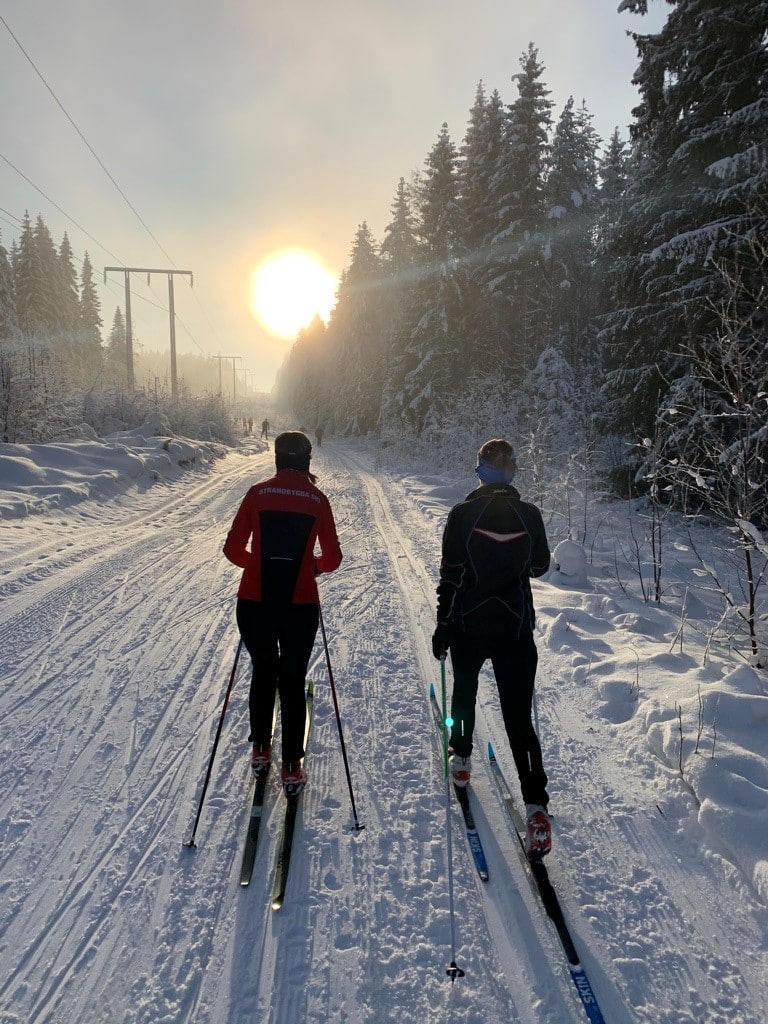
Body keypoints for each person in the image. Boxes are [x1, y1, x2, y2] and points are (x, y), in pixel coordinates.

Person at [431, 439, 552, 859]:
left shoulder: (462, 515)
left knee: (465, 693)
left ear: (479, 470)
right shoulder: (529, 514)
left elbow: (450, 575)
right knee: (519, 719)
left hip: (468, 626)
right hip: (515, 630)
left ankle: (461, 760)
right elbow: (539, 567)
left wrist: (442, 624)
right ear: (512, 471)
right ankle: (536, 807)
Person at [224, 430, 342, 795]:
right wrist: (310, 568)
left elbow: (232, 550)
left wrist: (259, 565)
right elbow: (333, 558)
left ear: (277, 458)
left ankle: (261, 749)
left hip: (254, 601)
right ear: (306, 460)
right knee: (291, 680)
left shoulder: (257, 493)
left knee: (263, 671)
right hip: (300, 605)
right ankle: (291, 766)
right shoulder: (318, 499)